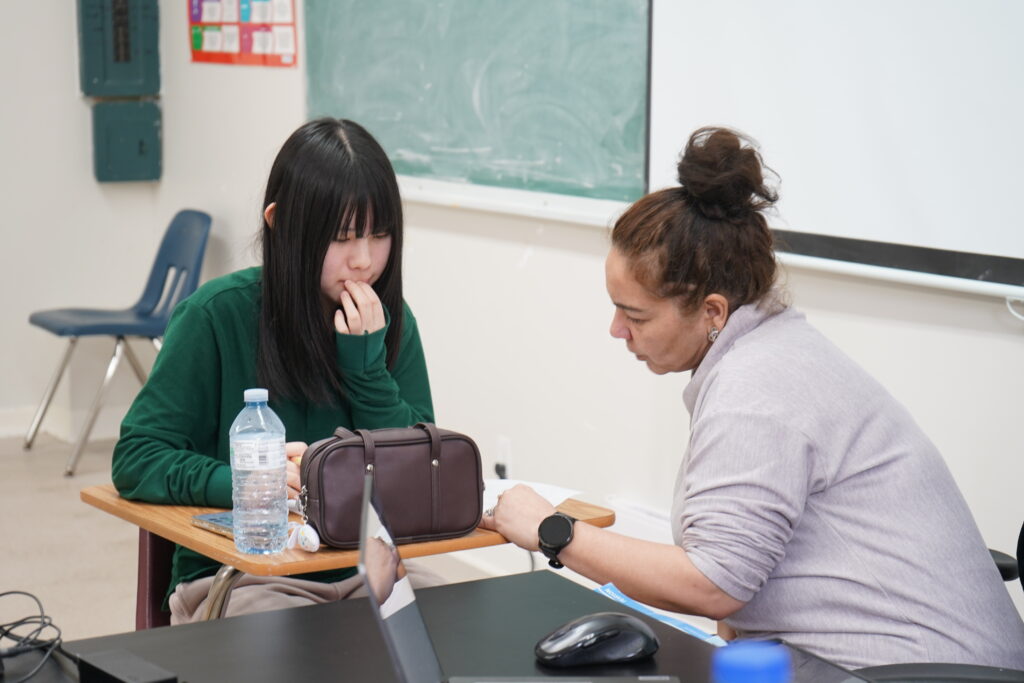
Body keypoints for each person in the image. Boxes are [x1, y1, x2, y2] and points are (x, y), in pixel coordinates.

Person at [482, 127, 1024, 671]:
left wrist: (552, 530)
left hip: (905, 670)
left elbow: (715, 586)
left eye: (636, 315)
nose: (617, 330)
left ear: (713, 312)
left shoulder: (756, 391)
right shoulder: (777, 348)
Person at [112, 118, 434, 622]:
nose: (365, 260)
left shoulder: (389, 320)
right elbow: (136, 458)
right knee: (285, 649)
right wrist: (246, 484)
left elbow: (420, 473)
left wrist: (367, 370)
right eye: (342, 236)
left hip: (368, 566)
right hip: (245, 575)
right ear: (280, 223)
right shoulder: (215, 315)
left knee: (453, 623)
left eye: (380, 233)